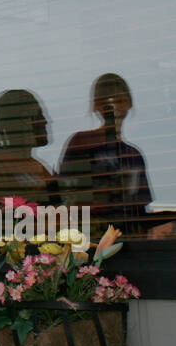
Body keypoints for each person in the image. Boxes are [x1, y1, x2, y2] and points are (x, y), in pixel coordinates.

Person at [56, 73, 151, 237]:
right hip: (90, 238)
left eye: (119, 101)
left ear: (129, 104)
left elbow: (139, 212)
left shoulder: (133, 155)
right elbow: (68, 198)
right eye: (106, 102)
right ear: (96, 106)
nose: (113, 107)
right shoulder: (81, 143)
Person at [0, 89, 56, 210]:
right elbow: (0, 220)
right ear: (21, 122)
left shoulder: (37, 167)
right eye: (38, 115)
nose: (46, 121)